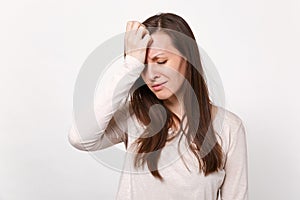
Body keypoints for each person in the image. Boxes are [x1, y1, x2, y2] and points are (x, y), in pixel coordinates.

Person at [68, 12, 248, 200]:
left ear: (188, 58)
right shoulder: (134, 116)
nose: (151, 74)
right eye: (143, 66)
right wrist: (131, 65)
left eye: (161, 61)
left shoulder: (229, 128)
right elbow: (79, 138)